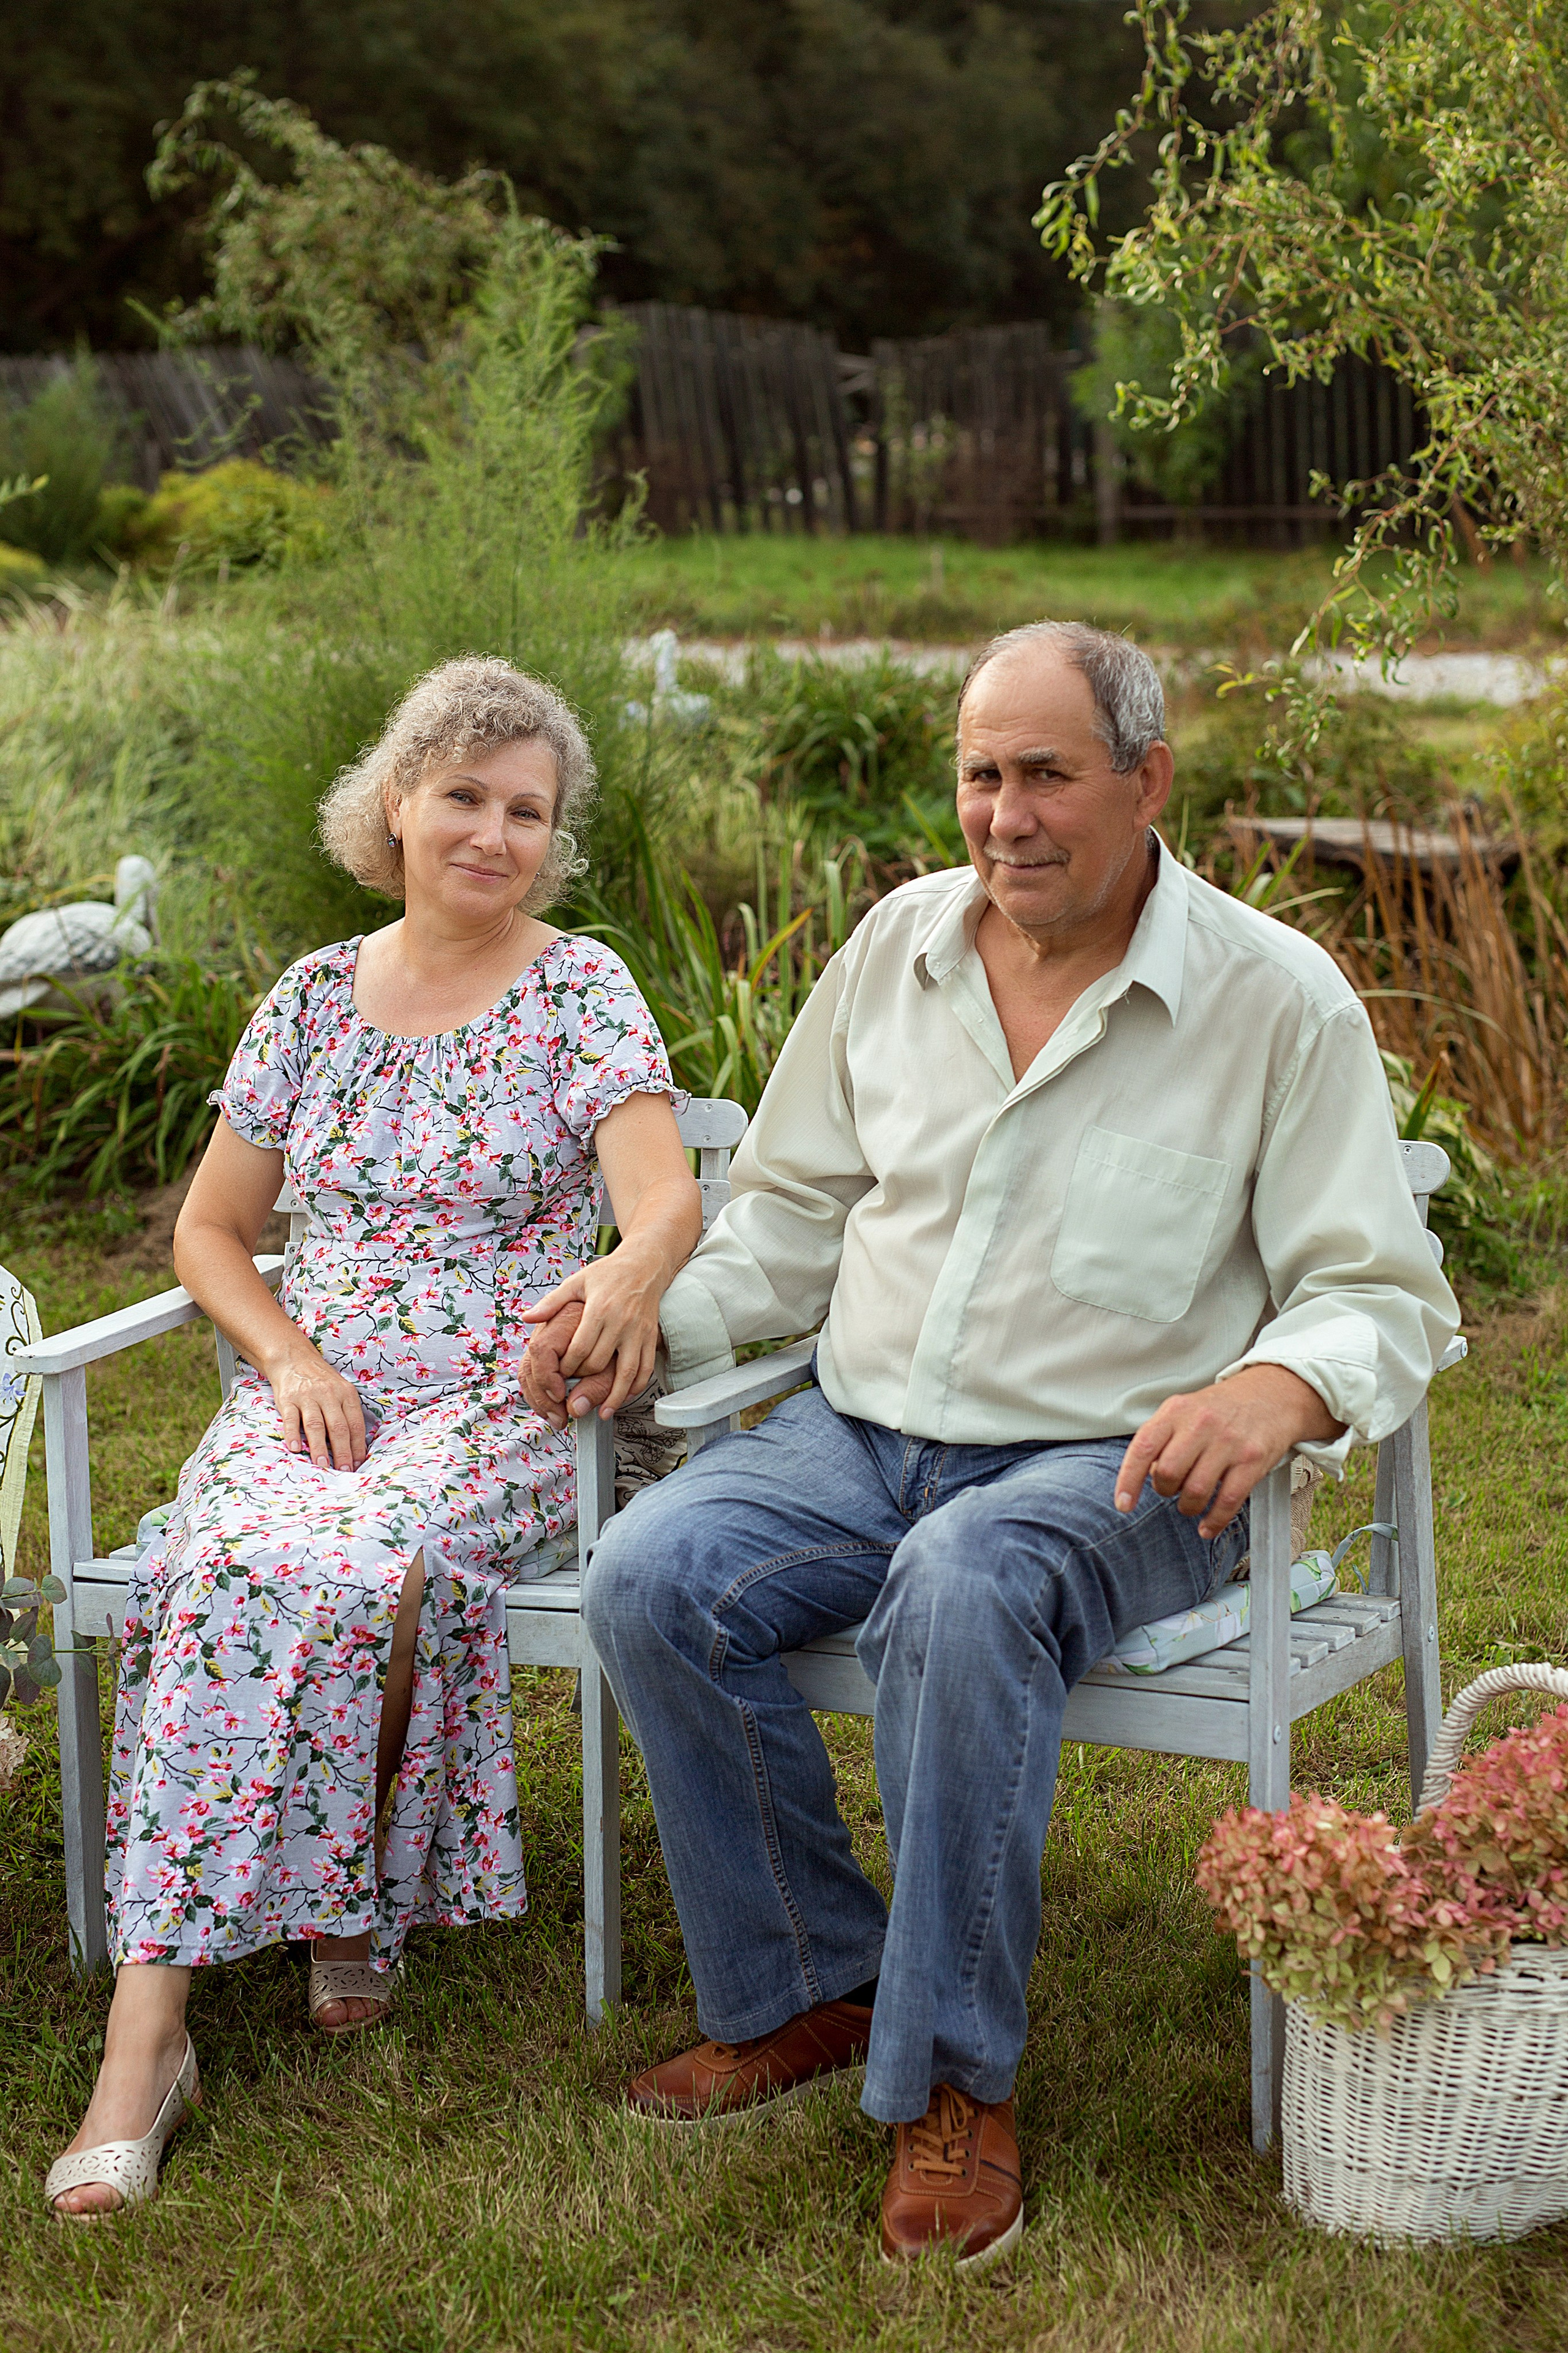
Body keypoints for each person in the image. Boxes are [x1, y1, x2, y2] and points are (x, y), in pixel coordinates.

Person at [522, 622, 1460, 2270]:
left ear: (1148, 779)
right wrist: (644, 1322)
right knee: (653, 1572)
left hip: (1122, 1474)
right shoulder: (899, 949)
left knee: (960, 1588)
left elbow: (1378, 1287)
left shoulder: (1272, 999)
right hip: (862, 1434)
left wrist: (1278, 1391)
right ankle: (812, 1980)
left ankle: (957, 2080)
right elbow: (798, 1212)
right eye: (979, 773)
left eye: (1046, 773)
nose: (1005, 814)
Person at [47, 656, 701, 2218]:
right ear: (394, 803)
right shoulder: (304, 1002)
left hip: (510, 1407)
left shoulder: (578, 988)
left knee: (339, 1563)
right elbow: (212, 1232)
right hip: (318, 1389)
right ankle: (155, 2036)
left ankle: (321, 1913)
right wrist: (281, 1356)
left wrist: (627, 1270)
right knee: (216, 1561)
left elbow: (664, 1194)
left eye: (526, 810)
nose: (492, 832)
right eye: (464, 795)